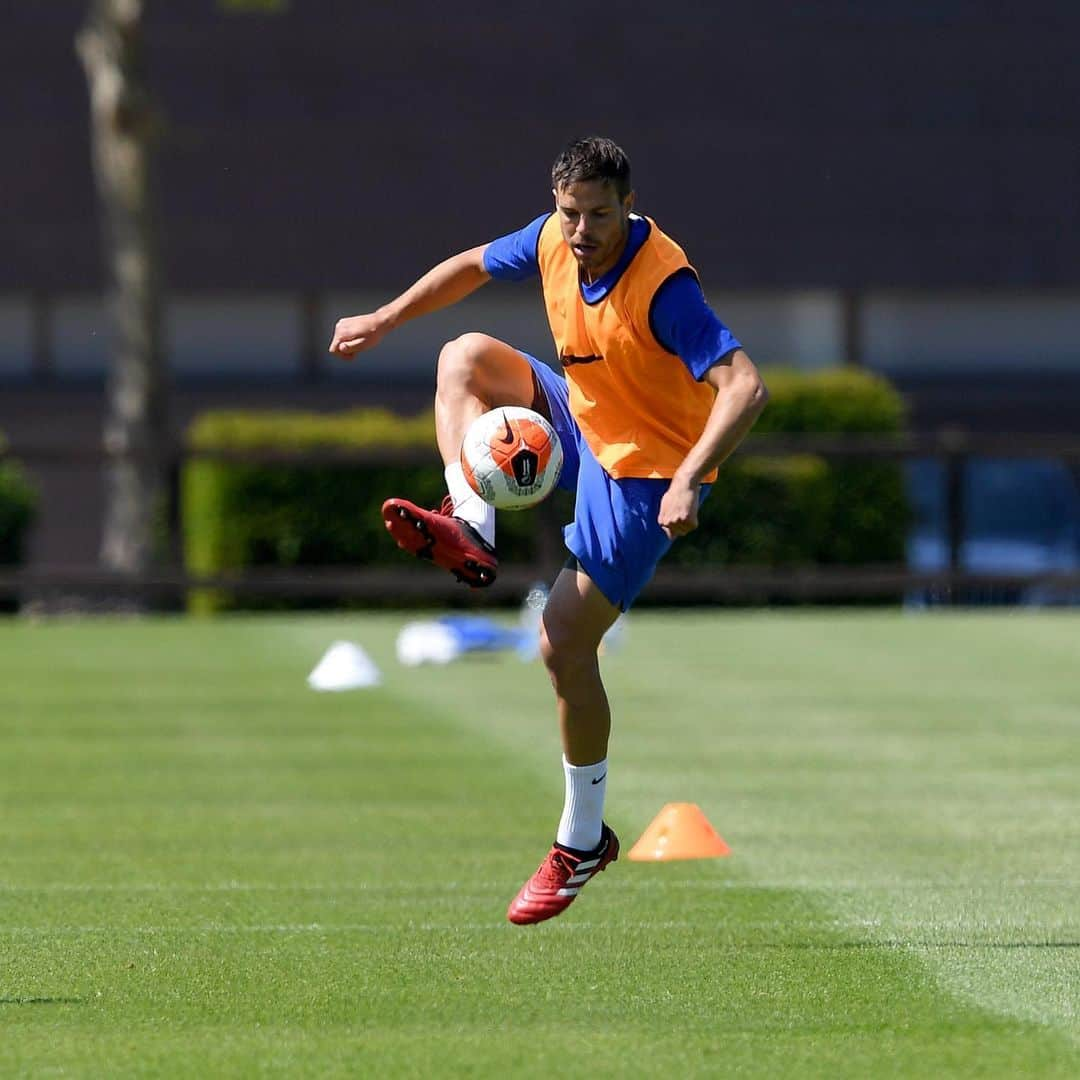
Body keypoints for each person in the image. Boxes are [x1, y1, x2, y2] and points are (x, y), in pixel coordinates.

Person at [329, 136, 768, 925]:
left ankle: (580, 840)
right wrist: (384, 318)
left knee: (561, 644)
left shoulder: (664, 288)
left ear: (628, 207)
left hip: (646, 469)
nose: (582, 230)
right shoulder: (551, 238)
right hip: (585, 413)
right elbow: (468, 266)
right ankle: (471, 522)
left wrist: (688, 475)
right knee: (463, 356)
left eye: (600, 215)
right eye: (571, 213)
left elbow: (745, 387)